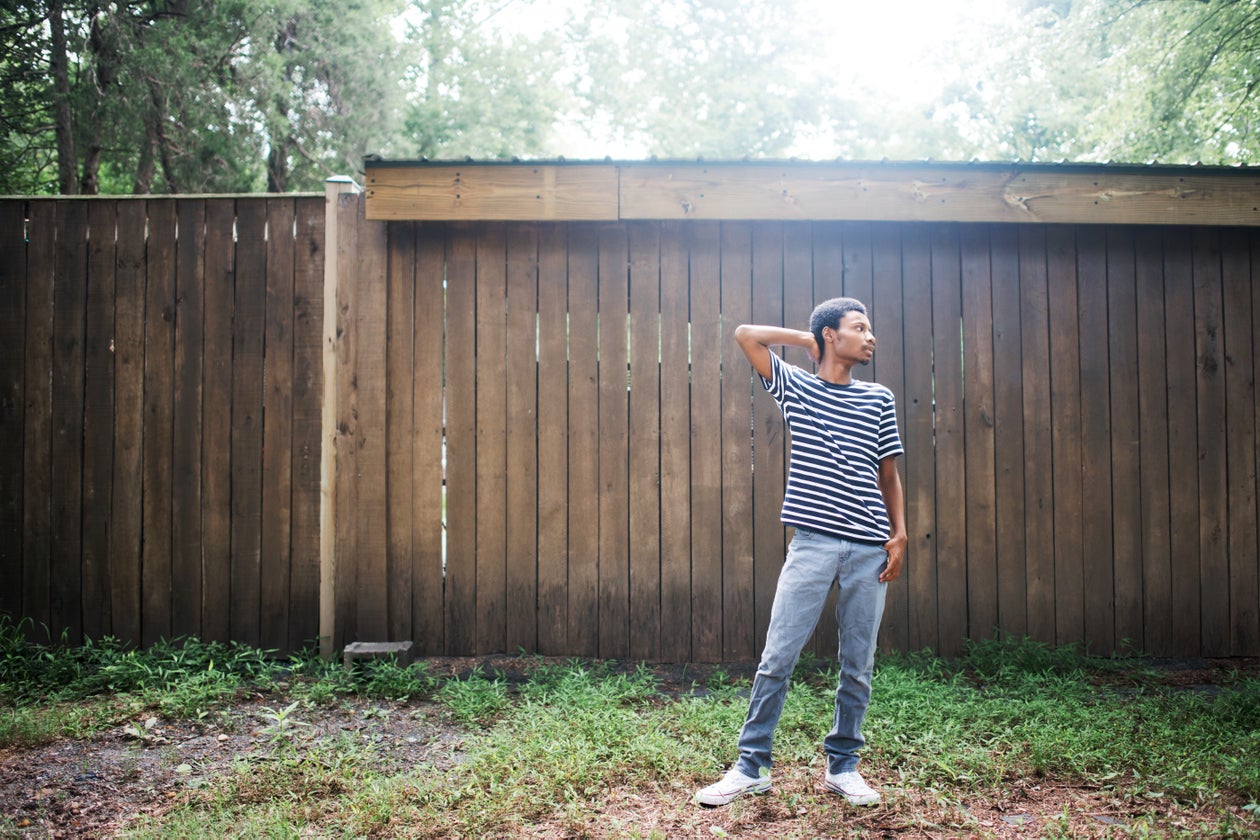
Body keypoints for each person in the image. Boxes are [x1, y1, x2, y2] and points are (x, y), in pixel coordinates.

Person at [695, 296, 907, 808]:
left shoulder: (879, 398)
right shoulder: (798, 388)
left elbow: (889, 471)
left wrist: (899, 534)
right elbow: (746, 333)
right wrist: (805, 339)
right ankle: (751, 767)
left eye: (870, 327)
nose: (870, 335)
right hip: (811, 545)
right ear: (831, 336)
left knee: (858, 663)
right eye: (860, 326)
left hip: (868, 550)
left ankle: (844, 766)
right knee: (777, 657)